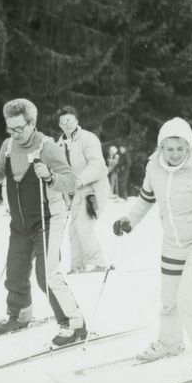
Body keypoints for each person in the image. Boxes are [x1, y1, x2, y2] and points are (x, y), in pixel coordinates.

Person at [112, 117, 192, 378]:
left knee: (189, 299)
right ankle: (170, 342)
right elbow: (145, 200)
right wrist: (128, 221)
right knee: (168, 300)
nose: (175, 154)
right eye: (170, 148)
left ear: (189, 148)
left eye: (181, 148)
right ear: (161, 147)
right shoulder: (153, 168)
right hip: (172, 244)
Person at [0, 98, 86, 346]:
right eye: (10, 129)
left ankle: (74, 323)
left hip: (47, 219)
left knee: (46, 274)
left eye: (19, 129)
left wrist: (50, 176)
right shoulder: (8, 146)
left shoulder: (47, 147)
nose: (14, 134)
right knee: (15, 271)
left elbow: (71, 181)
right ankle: (20, 314)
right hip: (20, 222)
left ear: (32, 123)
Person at [55, 106, 109, 273]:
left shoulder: (88, 138)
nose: (67, 124)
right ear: (59, 124)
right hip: (77, 189)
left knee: (83, 224)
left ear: (76, 120)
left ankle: (98, 263)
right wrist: (66, 195)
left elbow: (96, 164)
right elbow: (61, 171)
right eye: (63, 122)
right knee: (73, 229)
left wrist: (80, 180)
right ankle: (77, 265)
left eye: (70, 120)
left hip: (95, 186)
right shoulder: (59, 144)